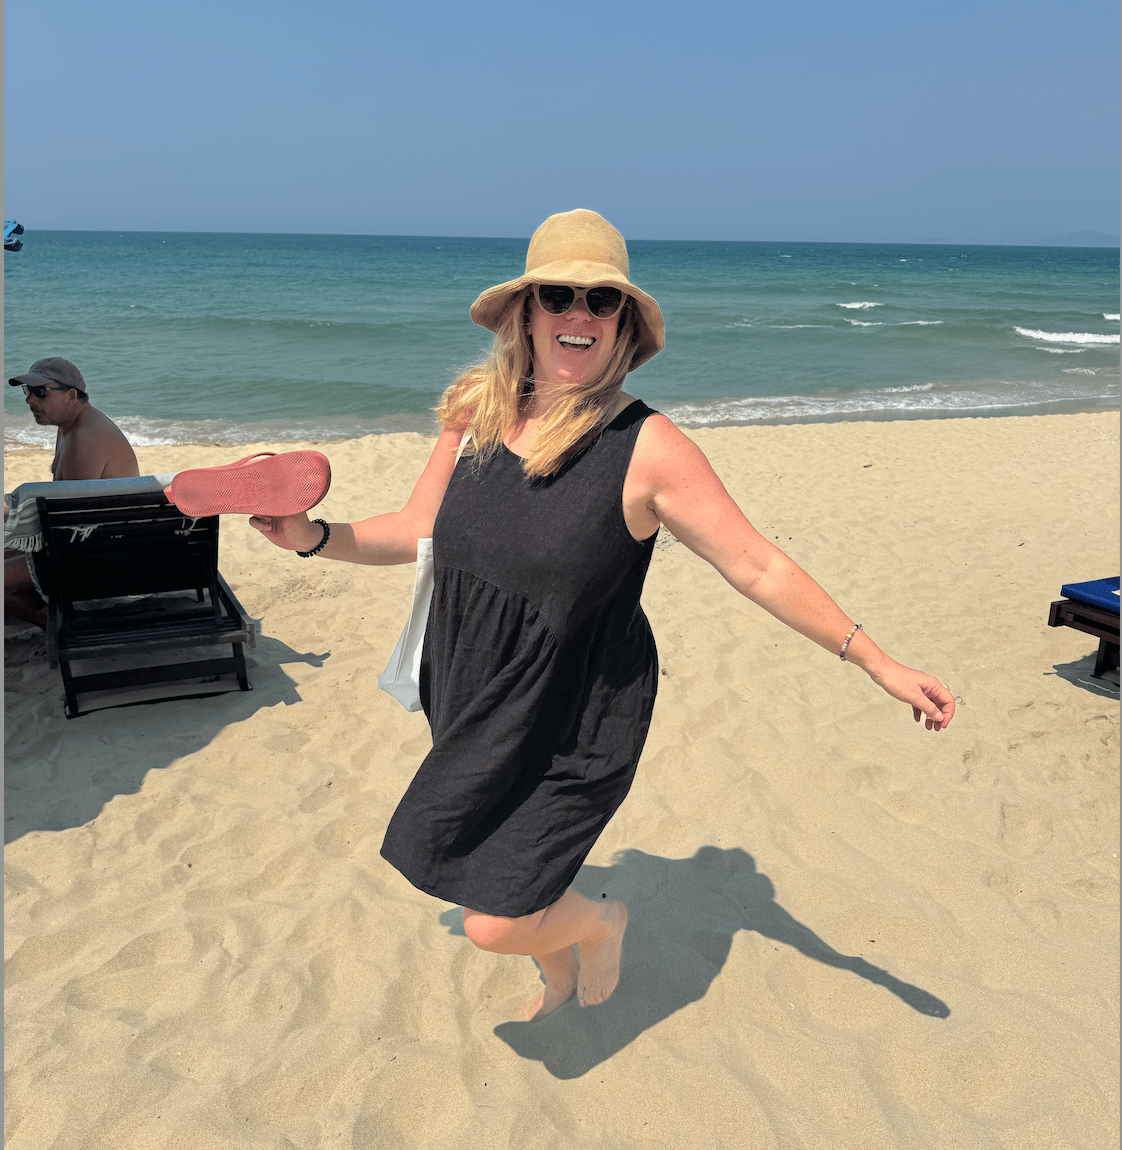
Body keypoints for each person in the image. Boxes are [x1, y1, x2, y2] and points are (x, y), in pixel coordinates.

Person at [251, 210, 955, 1020]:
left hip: (576, 712)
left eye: (601, 300)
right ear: (527, 312)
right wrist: (312, 538)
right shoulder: (477, 412)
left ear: (624, 322)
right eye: (558, 295)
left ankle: (603, 921)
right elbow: (417, 531)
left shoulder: (648, 447)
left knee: (491, 917)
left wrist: (879, 661)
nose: (578, 315)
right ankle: (557, 953)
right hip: (474, 689)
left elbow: (755, 563)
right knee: (506, 875)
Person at [4, 358, 140, 626]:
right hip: (90, 543)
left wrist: (12, 511)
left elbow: (66, 522)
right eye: (27, 391)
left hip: (93, 558)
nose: (30, 400)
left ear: (71, 395)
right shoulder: (70, 426)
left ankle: (64, 626)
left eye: (40, 391)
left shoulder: (84, 436)